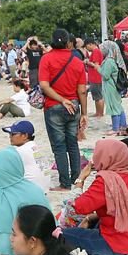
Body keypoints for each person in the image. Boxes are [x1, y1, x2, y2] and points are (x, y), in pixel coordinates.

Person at [63, 138, 128, 255]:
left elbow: (76, 207)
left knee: (62, 234)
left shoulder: (106, 181)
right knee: (93, 222)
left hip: (124, 246)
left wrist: (81, 178)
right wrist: (89, 218)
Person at [40, 29, 89, 191]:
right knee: (73, 144)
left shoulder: (46, 59)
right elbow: (82, 90)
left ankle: (65, 184)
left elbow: (44, 85)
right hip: (74, 106)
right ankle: (76, 180)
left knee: (59, 147)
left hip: (53, 106)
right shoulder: (77, 62)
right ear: (68, 43)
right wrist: (84, 113)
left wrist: (61, 99)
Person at [99, 41, 127, 134]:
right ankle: (123, 125)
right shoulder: (114, 60)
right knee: (119, 106)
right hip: (116, 87)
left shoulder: (109, 61)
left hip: (111, 87)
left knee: (113, 107)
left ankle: (115, 129)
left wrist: (97, 68)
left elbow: (105, 76)